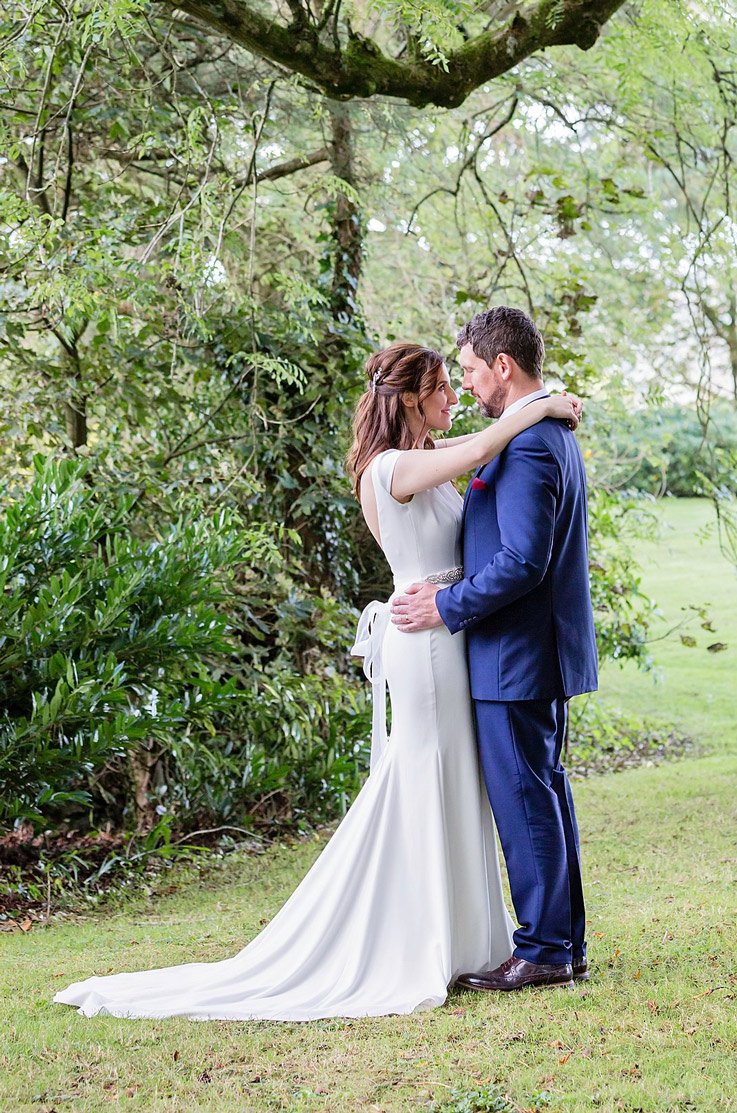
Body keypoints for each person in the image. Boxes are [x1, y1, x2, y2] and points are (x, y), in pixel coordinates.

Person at [52, 339, 579, 1021]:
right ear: (409, 398)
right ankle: (413, 940)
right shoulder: (392, 467)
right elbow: (482, 450)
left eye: (459, 382)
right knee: (423, 776)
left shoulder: (428, 468)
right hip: (424, 644)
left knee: (453, 783)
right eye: (443, 387)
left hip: (449, 639)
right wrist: (541, 408)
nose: (454, 396)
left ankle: (465, 937)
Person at [391, 308, 598, 992]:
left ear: (502, 366)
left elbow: (520, 562)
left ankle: (542, 948)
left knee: (525, 798)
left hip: (514, 653)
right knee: (542, 792)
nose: (470, 386)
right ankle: (561, 944)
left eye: (473, 371)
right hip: (529, 651)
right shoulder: (543, 429)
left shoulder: (533, 441)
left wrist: (445, 606)